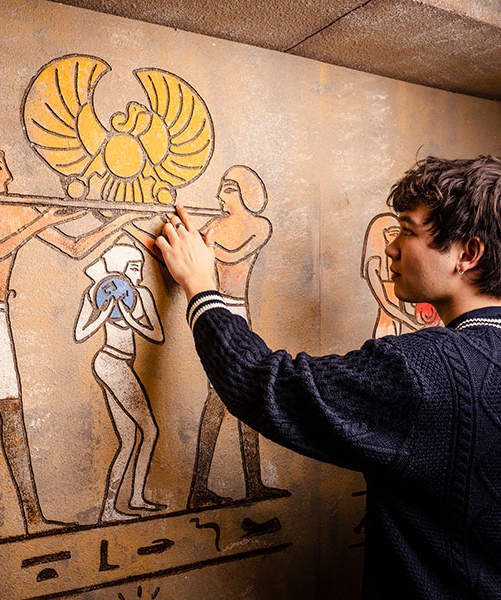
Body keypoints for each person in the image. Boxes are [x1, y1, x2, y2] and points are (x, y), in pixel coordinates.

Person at [155, 155, 501, 598]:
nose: (391, 248)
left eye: (408, 231)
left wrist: (200, 286)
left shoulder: (425, 370)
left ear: (467, 254)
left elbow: (264, 383)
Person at [0, 131, 148, 551]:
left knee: (11, 411)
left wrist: (118, 222)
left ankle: (33, 519)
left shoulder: (18, 211)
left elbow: (74, 248)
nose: (8, 175)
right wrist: (42, 220)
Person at [188, 166, 286, 508]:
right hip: (217, 309)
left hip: (235, 312)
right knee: (217, 401)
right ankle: (199, 486)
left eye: (228, 189)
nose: (219, 196)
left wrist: (200, 246)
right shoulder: (214, 226)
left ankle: (252, 483)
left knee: (250, 396)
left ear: (246, 193)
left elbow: (231, 255)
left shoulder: (260, 226)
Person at [74, 243, 166, 522]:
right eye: (135, 268)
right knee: (150, 431)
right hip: (110, 362)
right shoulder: (96, 293)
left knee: (129, 440)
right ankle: (133, 498)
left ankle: (111, 508)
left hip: (121, 363)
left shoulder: (142, 294)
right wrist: (103, 315)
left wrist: (129, 319)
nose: (139, 275)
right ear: (121, 267)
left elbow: (158, 335)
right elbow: (80, 334)